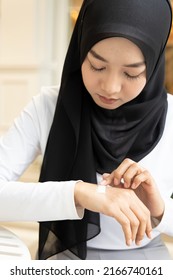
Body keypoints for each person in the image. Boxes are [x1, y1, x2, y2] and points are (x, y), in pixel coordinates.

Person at [0, 0, 173, 260]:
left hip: (148, 262)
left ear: (155, 63)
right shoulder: (48, 106)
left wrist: (159, 209)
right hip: (63, 260)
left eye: (131, 73)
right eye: (97, 66)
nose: (111, 87)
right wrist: (80, 193)